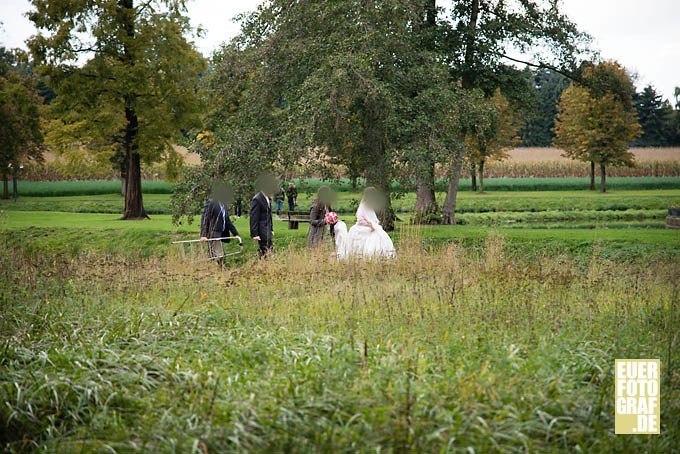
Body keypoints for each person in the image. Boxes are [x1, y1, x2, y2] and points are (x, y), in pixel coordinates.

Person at [334, 187, 395, 259]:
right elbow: (360, 220)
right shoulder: (363, 206)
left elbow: (372, 219)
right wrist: (370, 225)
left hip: (370, 226)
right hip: (363, 227)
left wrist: (373, 225)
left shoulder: (369, 206)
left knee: (380, 235)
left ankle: (382, 255)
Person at [200, 184, 240, 261]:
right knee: (219, 255)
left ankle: (215, 269)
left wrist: (236, 233)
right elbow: (205, 218)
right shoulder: (212, 203)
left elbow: (227, 221)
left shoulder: (224, 205)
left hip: (220, 233)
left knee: (219, 255)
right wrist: (203, 235)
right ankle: (217, 270)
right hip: (213, 233)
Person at [250, 185, 274, 257]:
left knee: (269, 250)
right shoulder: (257, 199)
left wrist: (271, 229)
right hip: (261, 229)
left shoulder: (268, 198)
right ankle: (264, 265)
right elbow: (254, 217)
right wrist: (254, 234)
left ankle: (265, 265)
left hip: (267, 229)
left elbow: (269, 216)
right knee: (265, 250)